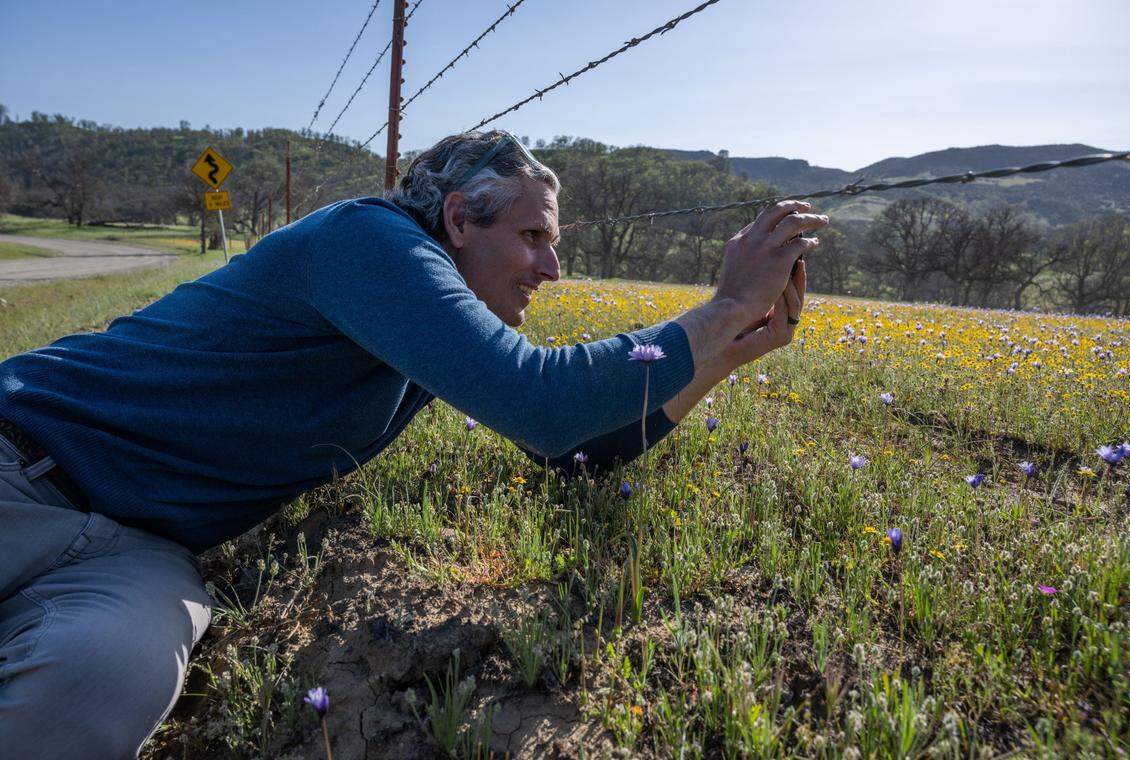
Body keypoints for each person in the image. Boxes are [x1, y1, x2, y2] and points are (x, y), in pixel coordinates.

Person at [0, 129, 825, 756]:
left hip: (140, 552)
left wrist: (728, 351)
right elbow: (540, 400)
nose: (554, 268)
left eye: (556, 242)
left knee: (99, 688)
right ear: (459, 219)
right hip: (20, 459)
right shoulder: (366, 244)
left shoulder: (420, 330)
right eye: (535, 238)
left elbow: (570, 452)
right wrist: (717, 308)